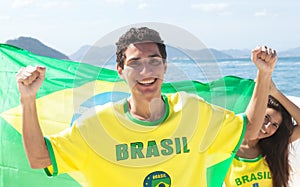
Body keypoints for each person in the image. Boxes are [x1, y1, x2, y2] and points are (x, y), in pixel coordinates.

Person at [16, 27, 276, 186]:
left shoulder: (193, 111)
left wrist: (264, 74)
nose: (145, 71)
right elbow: (40, 159)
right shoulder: (97, 124)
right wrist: (28, 100)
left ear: (165, 67)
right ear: (120, 70)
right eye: (134, 63)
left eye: (154, 61)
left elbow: (251, 130)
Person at [224, 79, 300, 187]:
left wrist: (275, 93)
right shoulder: (228, 148)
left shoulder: (274, 145)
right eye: (266, 118)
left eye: (274, 125)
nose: (267, 127)